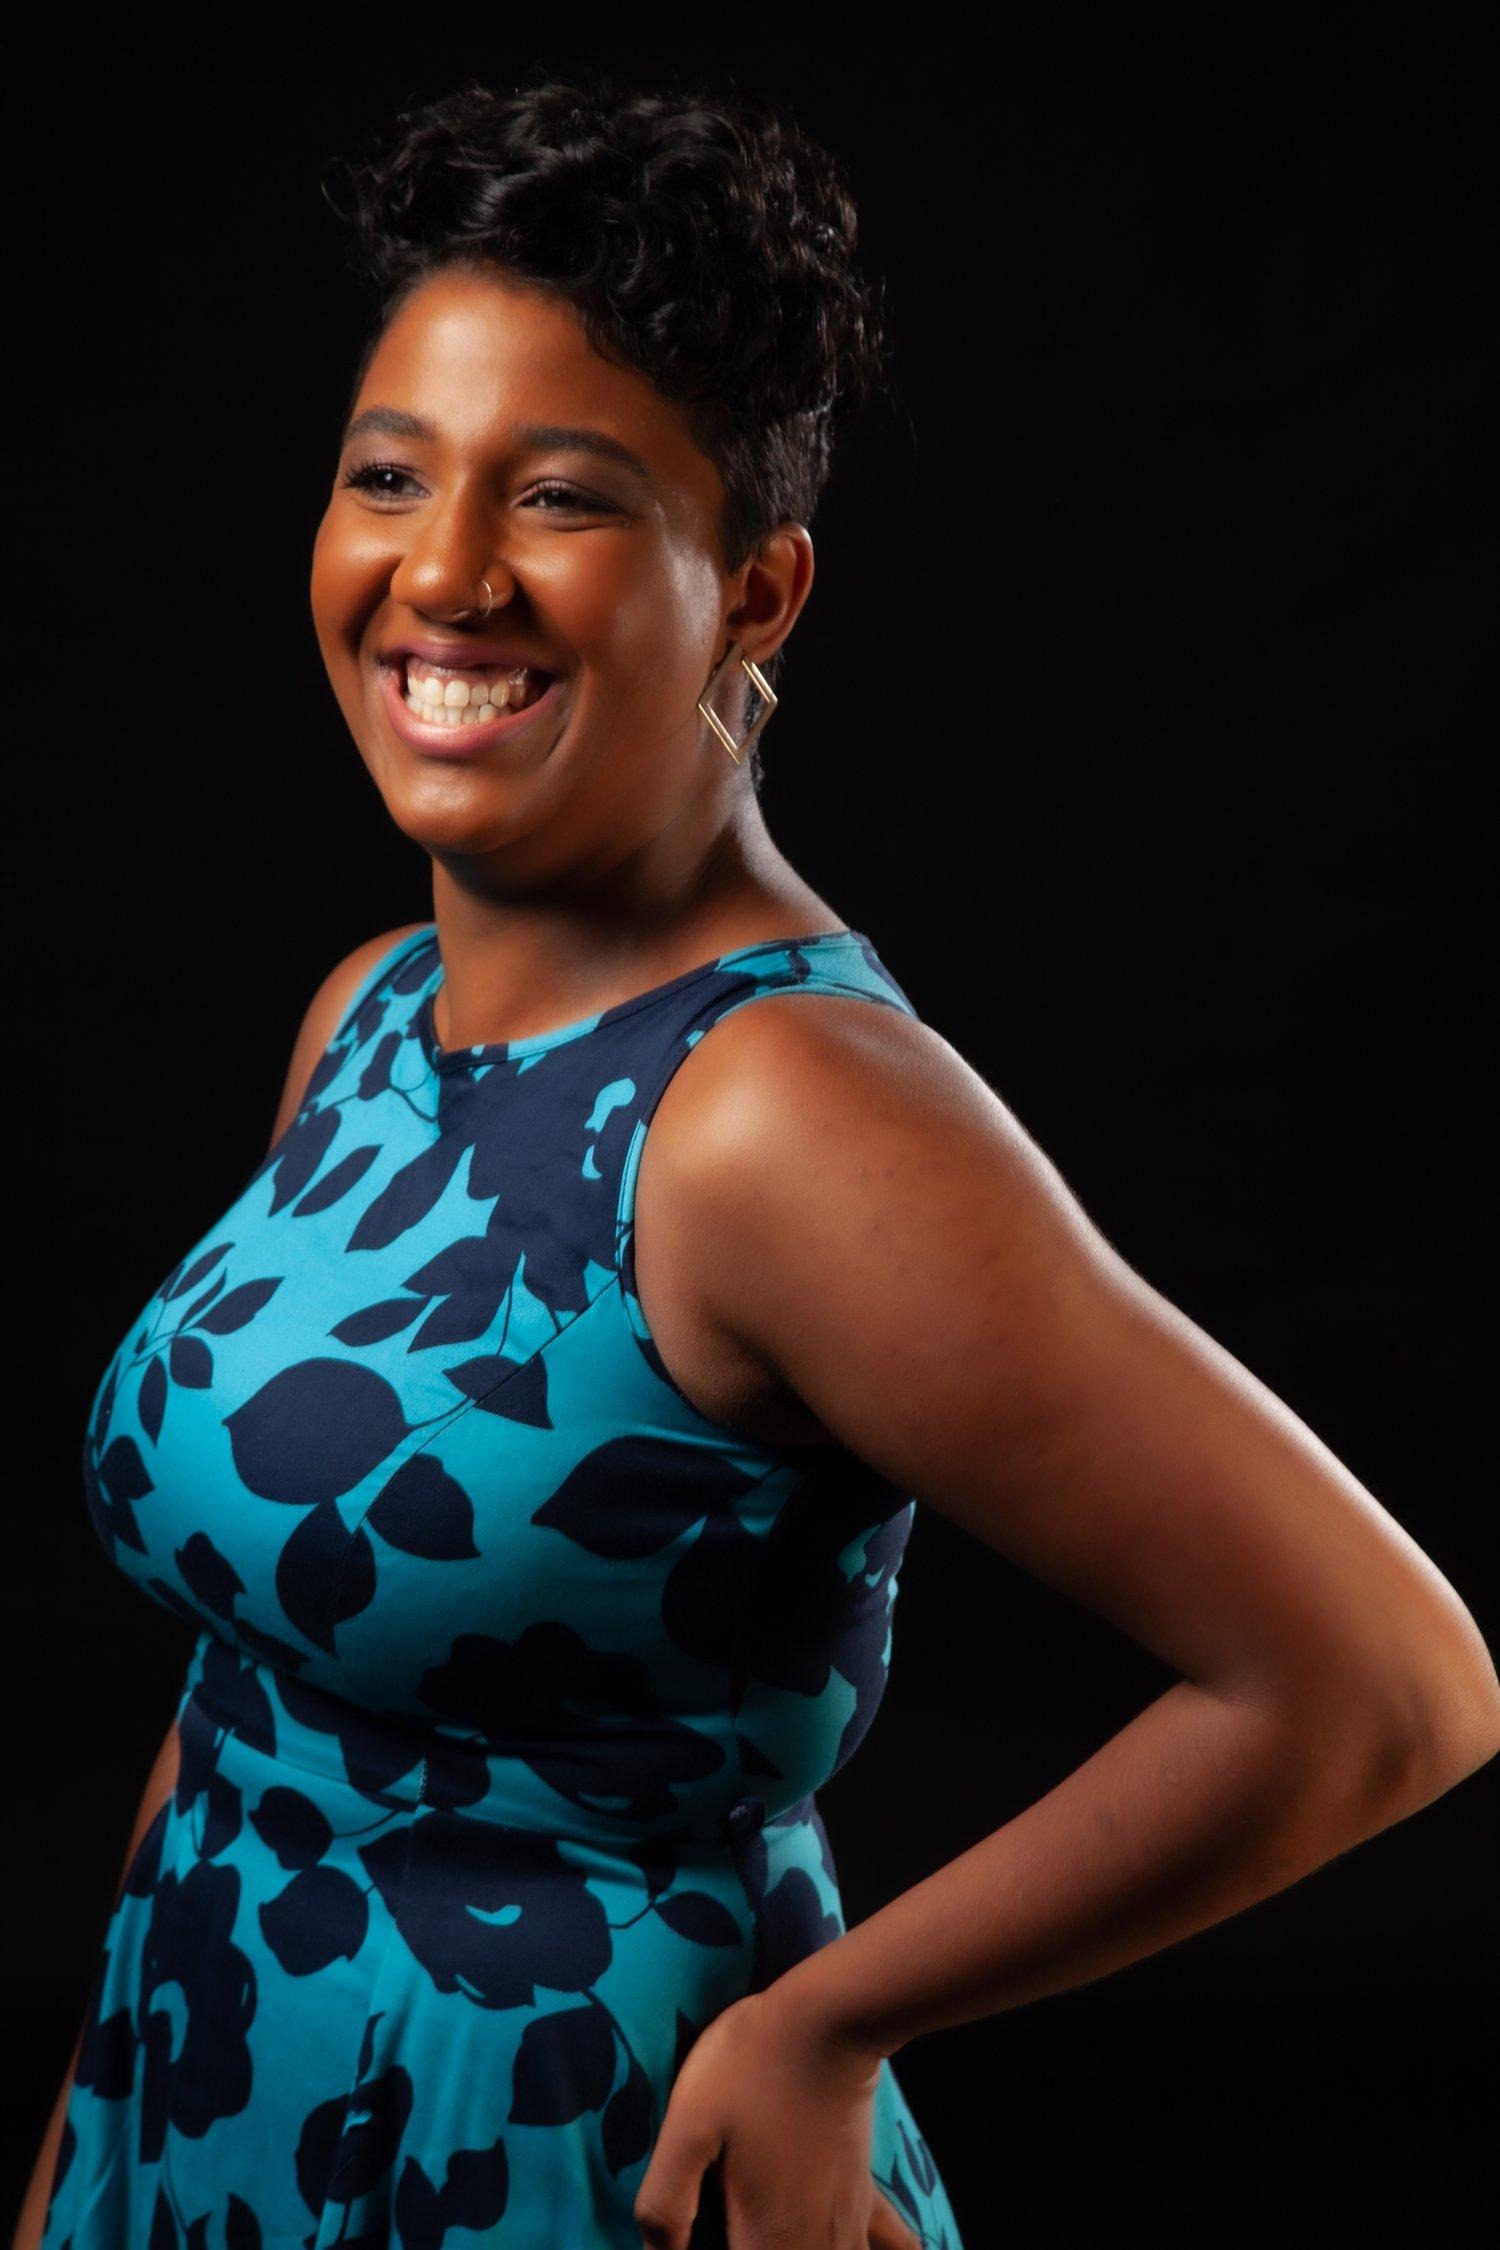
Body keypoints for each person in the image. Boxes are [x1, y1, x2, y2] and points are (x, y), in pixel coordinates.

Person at [20, 72, 1499, 2250]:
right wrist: (84, 2146)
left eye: (568, 500)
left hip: (548, 2149)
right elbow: (258, 1662)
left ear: (759, 591)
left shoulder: (780, 1115)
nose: (444, 574)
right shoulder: (362, 1021)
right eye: (388, 478)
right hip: (209, 2074)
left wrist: (832, 2027)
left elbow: (1386, 1686)